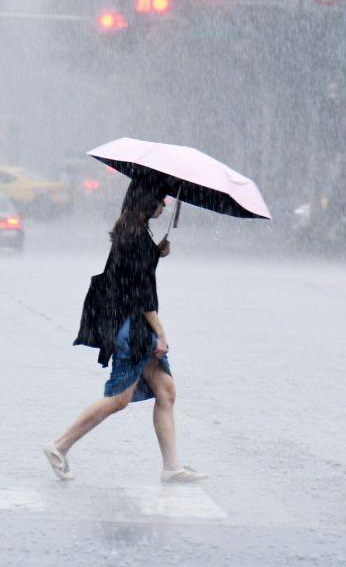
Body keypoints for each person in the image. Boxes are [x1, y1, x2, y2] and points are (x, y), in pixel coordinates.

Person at [42, 180, 207, 484]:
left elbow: (133, 272)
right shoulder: (137, 240)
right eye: (160, 200)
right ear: (147, 203)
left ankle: (172, 468)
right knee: (119, 398)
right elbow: (141, 295)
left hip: (127, 321)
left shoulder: (133, 233)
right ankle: (59, 445)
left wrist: (156, 253)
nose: (164, 205)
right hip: (132, 328)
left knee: (165, 391)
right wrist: (160, 332)